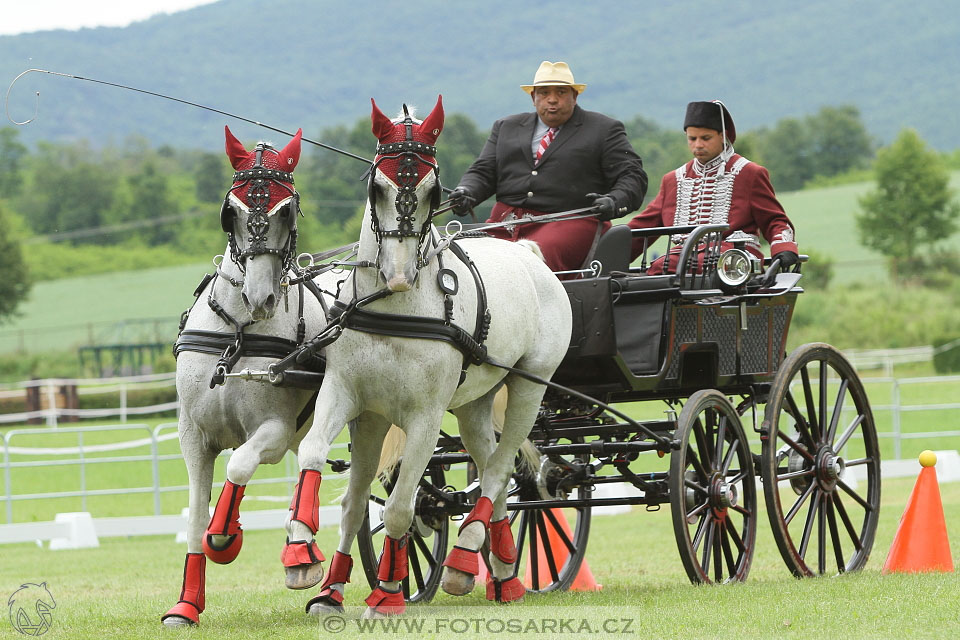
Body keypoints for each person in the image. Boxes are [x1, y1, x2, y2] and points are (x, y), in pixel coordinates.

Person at [451, 61, 647, 275]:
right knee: (469, 261)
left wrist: (614, 201)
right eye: (544, 93)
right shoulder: (506, 127)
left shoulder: (604, 129)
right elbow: (483, 171)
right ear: (533, 97)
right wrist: (466, 192)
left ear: (575, 96)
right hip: (505, 221)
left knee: (532, 261)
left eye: (561, 92)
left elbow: (632, 176)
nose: (552, 99)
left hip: (571, 220)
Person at [627, 100, 799, 274]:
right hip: (682, 259)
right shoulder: (673, 180)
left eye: (705, 138)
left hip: (734, 259)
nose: (698, 145)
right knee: (658, 268)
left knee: (703, 264)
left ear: (723, 136)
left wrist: (783, 247)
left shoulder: (750, 173)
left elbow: (775, 220)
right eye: (692, 139)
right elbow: (643, 227)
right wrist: (608, 251)